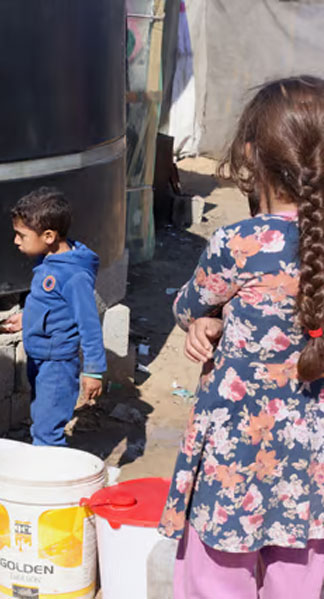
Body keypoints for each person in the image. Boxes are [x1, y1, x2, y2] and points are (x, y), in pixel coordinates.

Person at [159, 76, 324, 598]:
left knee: (216, 577)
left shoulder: (240, 242)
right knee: (301, 578)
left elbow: (187, 305)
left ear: (252, 154)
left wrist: (207, 317)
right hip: (313, 459)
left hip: (237, 451)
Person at [0, 187, 105, 446]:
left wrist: (94, 371)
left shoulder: (74, 276)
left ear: (48, 236)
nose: (16, 241)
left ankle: (49, 466)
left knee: (47, 433)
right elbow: (52, 305)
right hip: (39, 357)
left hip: (57, 365)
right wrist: (27, 318)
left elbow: (89, 325)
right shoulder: (47, 261)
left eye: (21, 235)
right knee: (41, 420)